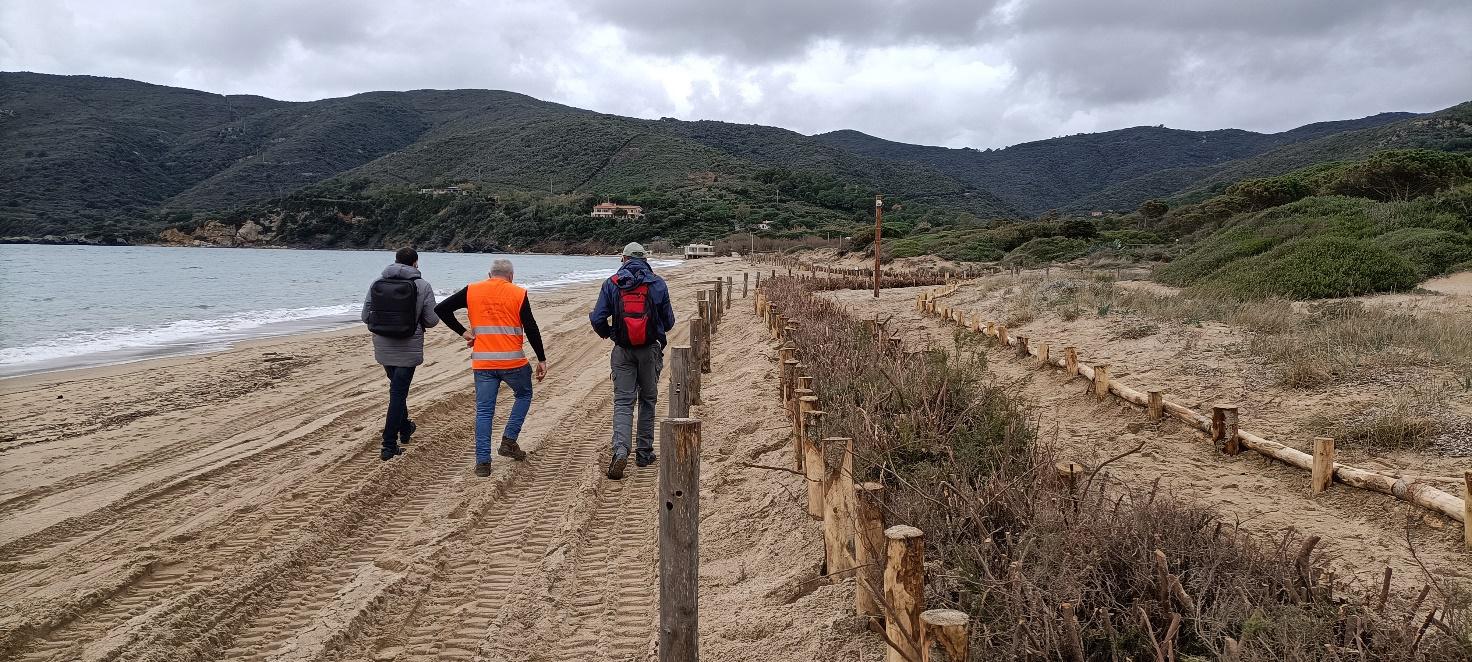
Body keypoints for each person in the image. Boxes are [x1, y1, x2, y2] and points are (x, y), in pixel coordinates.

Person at [435, 258, 546, 477]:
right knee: (524, 394)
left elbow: (441, 309)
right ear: (511, 276)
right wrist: (541, 359)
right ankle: (509, 440)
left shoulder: (472, 290)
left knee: (485, 411)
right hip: (513, 362)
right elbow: (531, 327)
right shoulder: (518, 293)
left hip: (483, 362)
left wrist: (464, 332)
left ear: (489, 275)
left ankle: (483, 463)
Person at [589, 242, 675, 480]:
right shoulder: (657, 283)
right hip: (649, 350)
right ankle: (644, 453)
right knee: (648, 399)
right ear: (645, 259)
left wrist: (610, 333)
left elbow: (597, 318)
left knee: (623, 402)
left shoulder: (612, 283)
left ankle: (620, 449)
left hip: (623, 350)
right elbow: (669, 322)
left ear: (623, 259)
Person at [361, 247, 440, 461]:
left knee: (397, 389)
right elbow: (432, 320)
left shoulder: (377, 282)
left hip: (383, 345)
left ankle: (405, 427)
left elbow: (365, 315)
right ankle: (388, 445)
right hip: (408, 346)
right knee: (398, 393)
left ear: (395, 261)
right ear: (415, 263)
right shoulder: (422, 285)